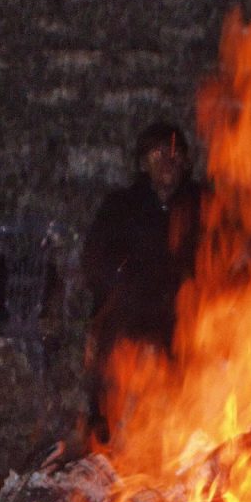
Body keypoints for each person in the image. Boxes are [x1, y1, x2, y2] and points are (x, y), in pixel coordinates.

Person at [81, 120, 205, 437]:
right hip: (132, 305)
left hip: (184, 308)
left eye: (176, 154)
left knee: (200, 339)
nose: (168, 160)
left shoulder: (202, 204)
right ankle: (105, 425)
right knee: (112, 335)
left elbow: (225, 251)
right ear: (143, 162)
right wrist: (124, 283)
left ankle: (187, 430)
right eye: (158, 153)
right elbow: (96, 259)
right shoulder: (121, 206)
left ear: (186, 162)